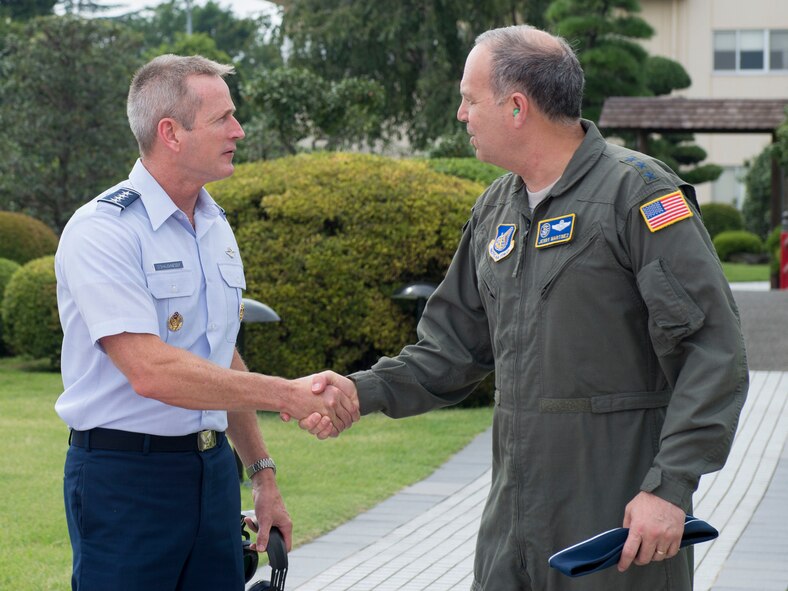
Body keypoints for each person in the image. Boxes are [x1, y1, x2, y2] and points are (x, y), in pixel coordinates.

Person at [297, 25, 748, 590]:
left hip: (617, 521)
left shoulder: (638, 194)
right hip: (512, 525)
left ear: (516, 107)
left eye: (468, 98)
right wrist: (358, 392)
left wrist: (670, 487)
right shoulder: (496, 208)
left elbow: (713, 349)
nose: (460, 114)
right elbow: (450, 350)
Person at [54, 54, 359, 591]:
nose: (238, 131)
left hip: (214, 476)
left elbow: (219, 354)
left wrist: (262, 474)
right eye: (222, 119)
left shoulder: (214, 223)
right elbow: (152, 371)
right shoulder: (103, 230)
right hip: (125, 481)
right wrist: (286, 394)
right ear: (170, 133)